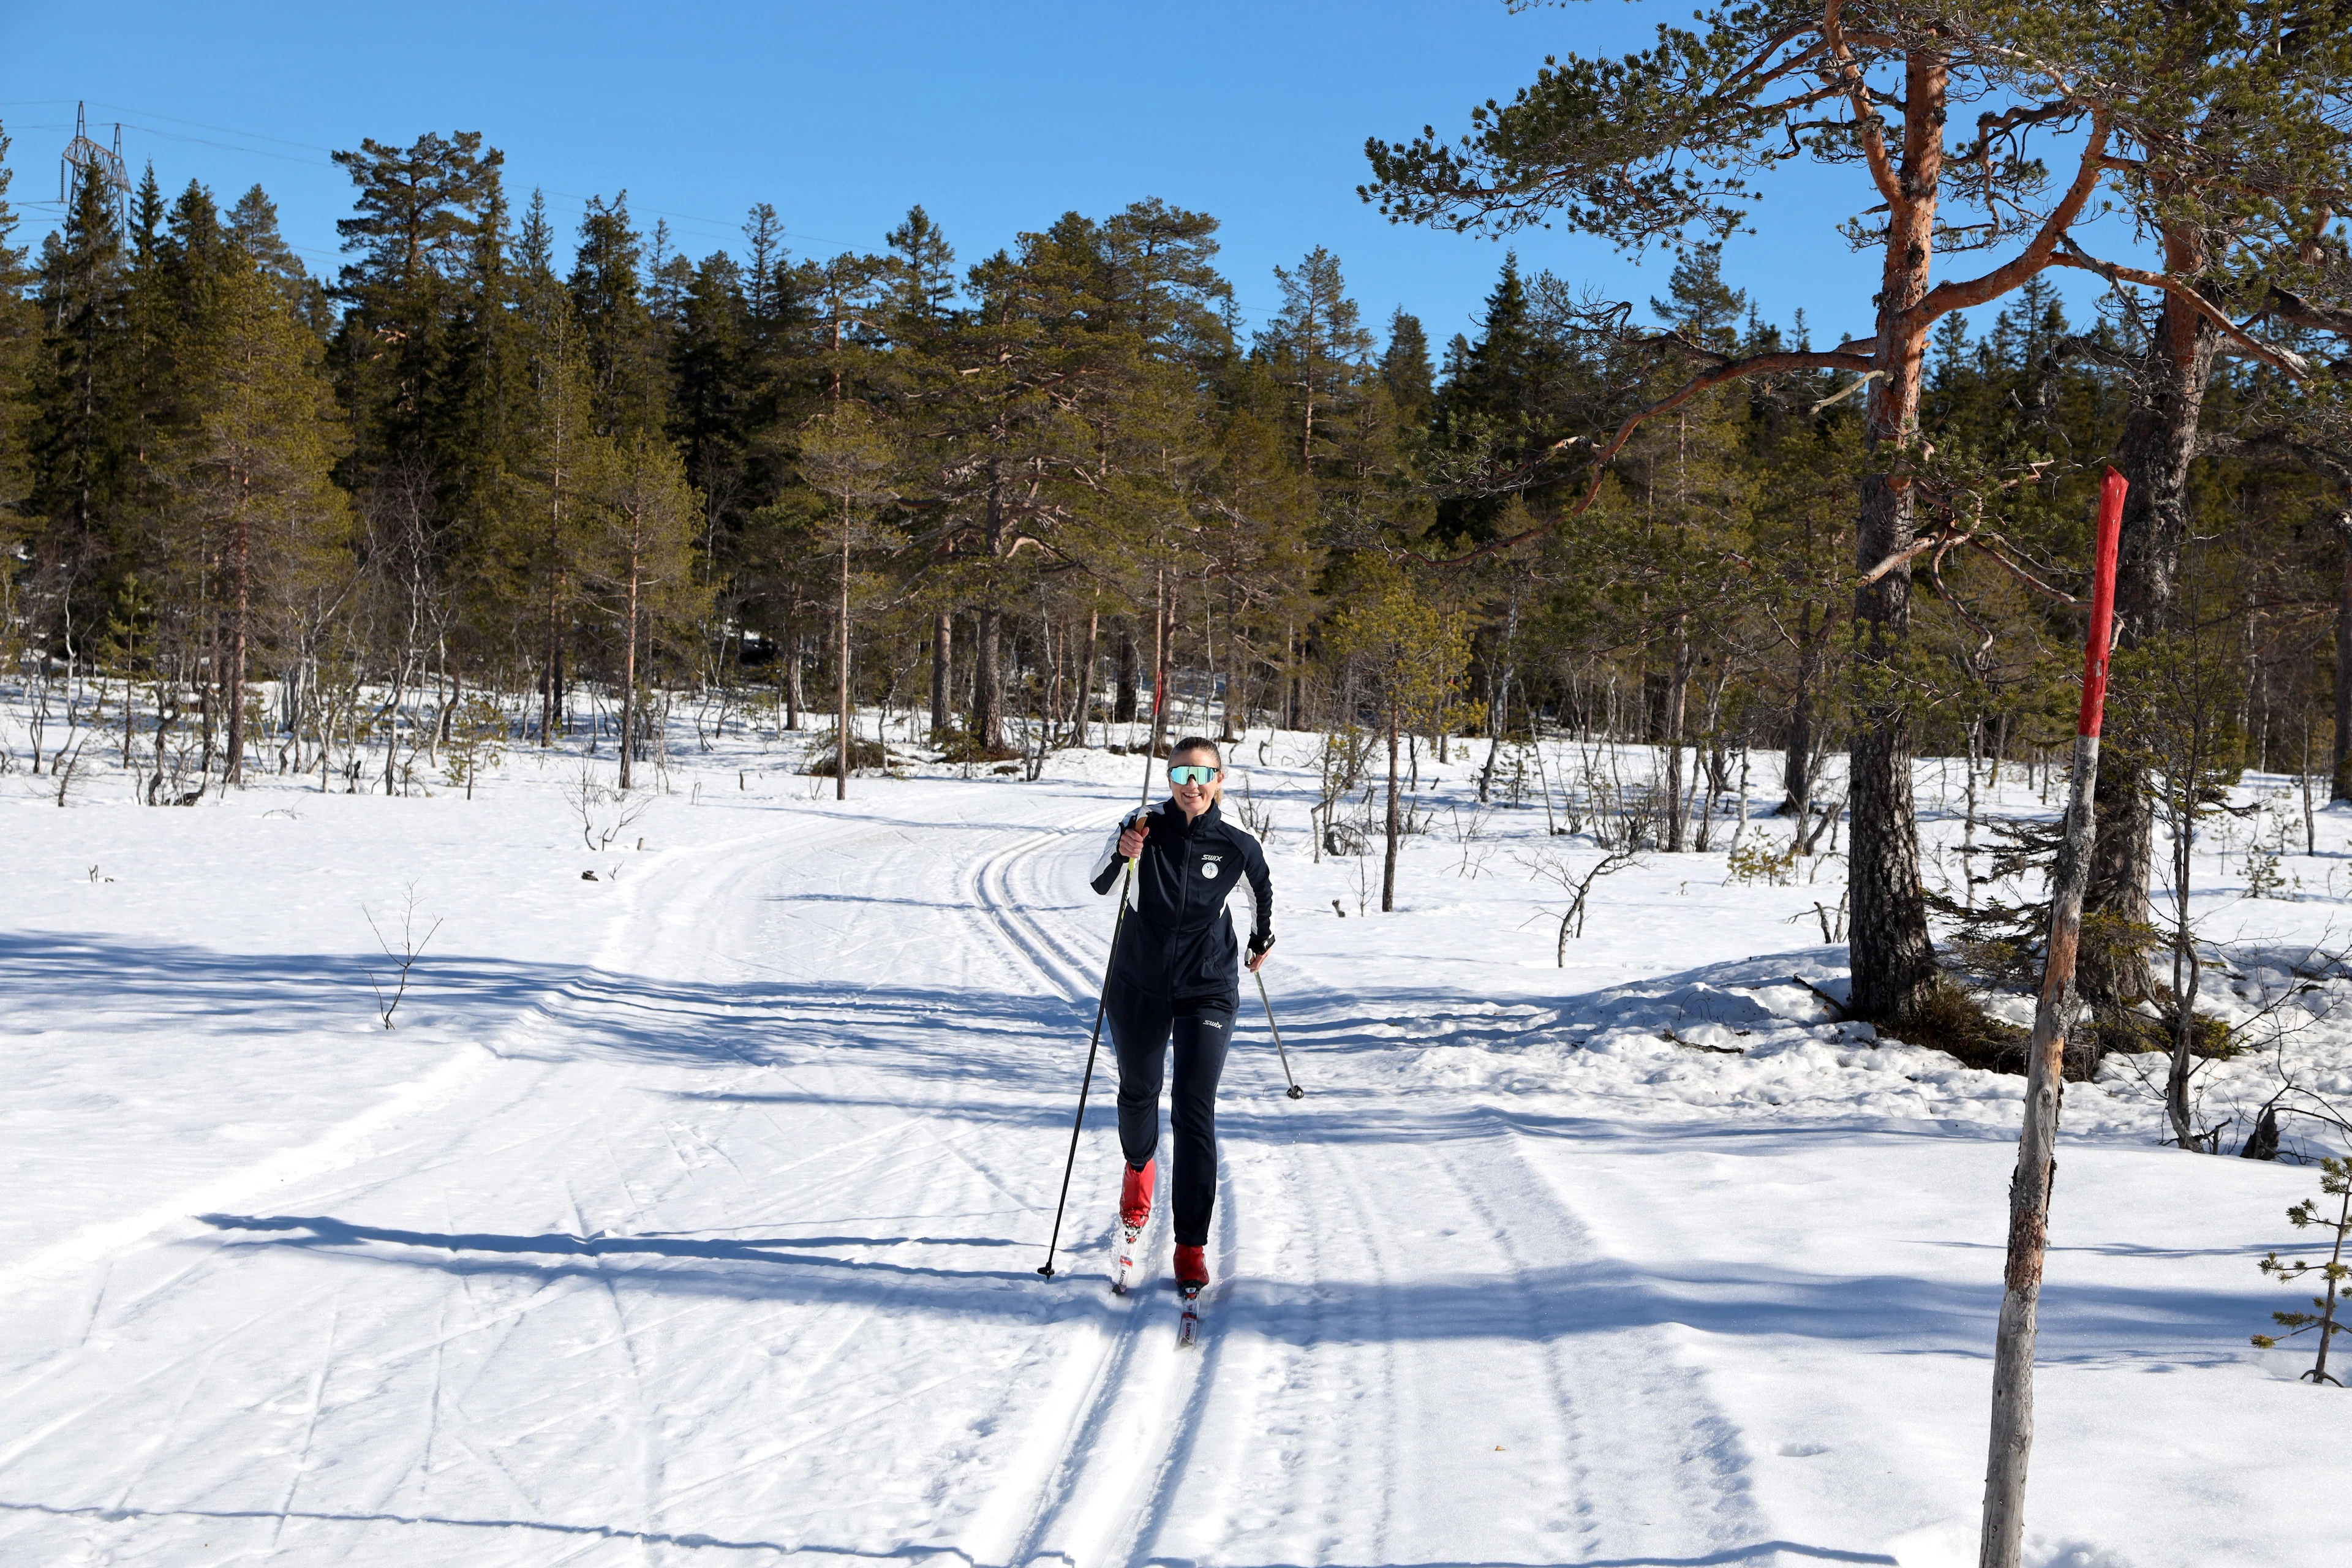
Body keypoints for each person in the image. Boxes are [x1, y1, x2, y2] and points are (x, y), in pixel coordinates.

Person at [1088, 737, 1273, 1292]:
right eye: (1181, 772)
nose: (1192, 784)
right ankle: (1138, 1169)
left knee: (1194, 1108)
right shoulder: (1141, 824)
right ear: (1169, 778)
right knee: (1138, 1091)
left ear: (1220, 781)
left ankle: (1191, 1245)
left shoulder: (1238, 844)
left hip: (1207, 986)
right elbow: (1100, 881)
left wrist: (1262, 939)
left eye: (1204, 774)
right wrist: (1124, 852)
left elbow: (1262, 896)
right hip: (1139, 980)